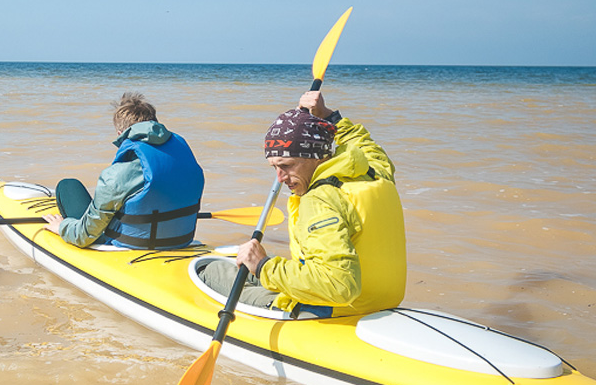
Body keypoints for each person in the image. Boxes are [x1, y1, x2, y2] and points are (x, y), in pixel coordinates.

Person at [200, 91, 405, 317]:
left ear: (316, 157)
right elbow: (366, 146)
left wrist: (263, 266)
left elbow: (340, 285)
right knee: (248, 269)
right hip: (383, 301)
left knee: (212, 270)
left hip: (335, 309)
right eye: (274, 167)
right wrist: (329, 116)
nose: (280, 177)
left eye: (286, 165)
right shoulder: (374, 173)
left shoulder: (319, 201)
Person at [43, 93, 206, 249]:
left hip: (132, 245)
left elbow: (84, 235)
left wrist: (62, 226)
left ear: (120, 134)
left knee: (68, 185)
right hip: (180, 241)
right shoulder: (185, 156)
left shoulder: (116, 175)